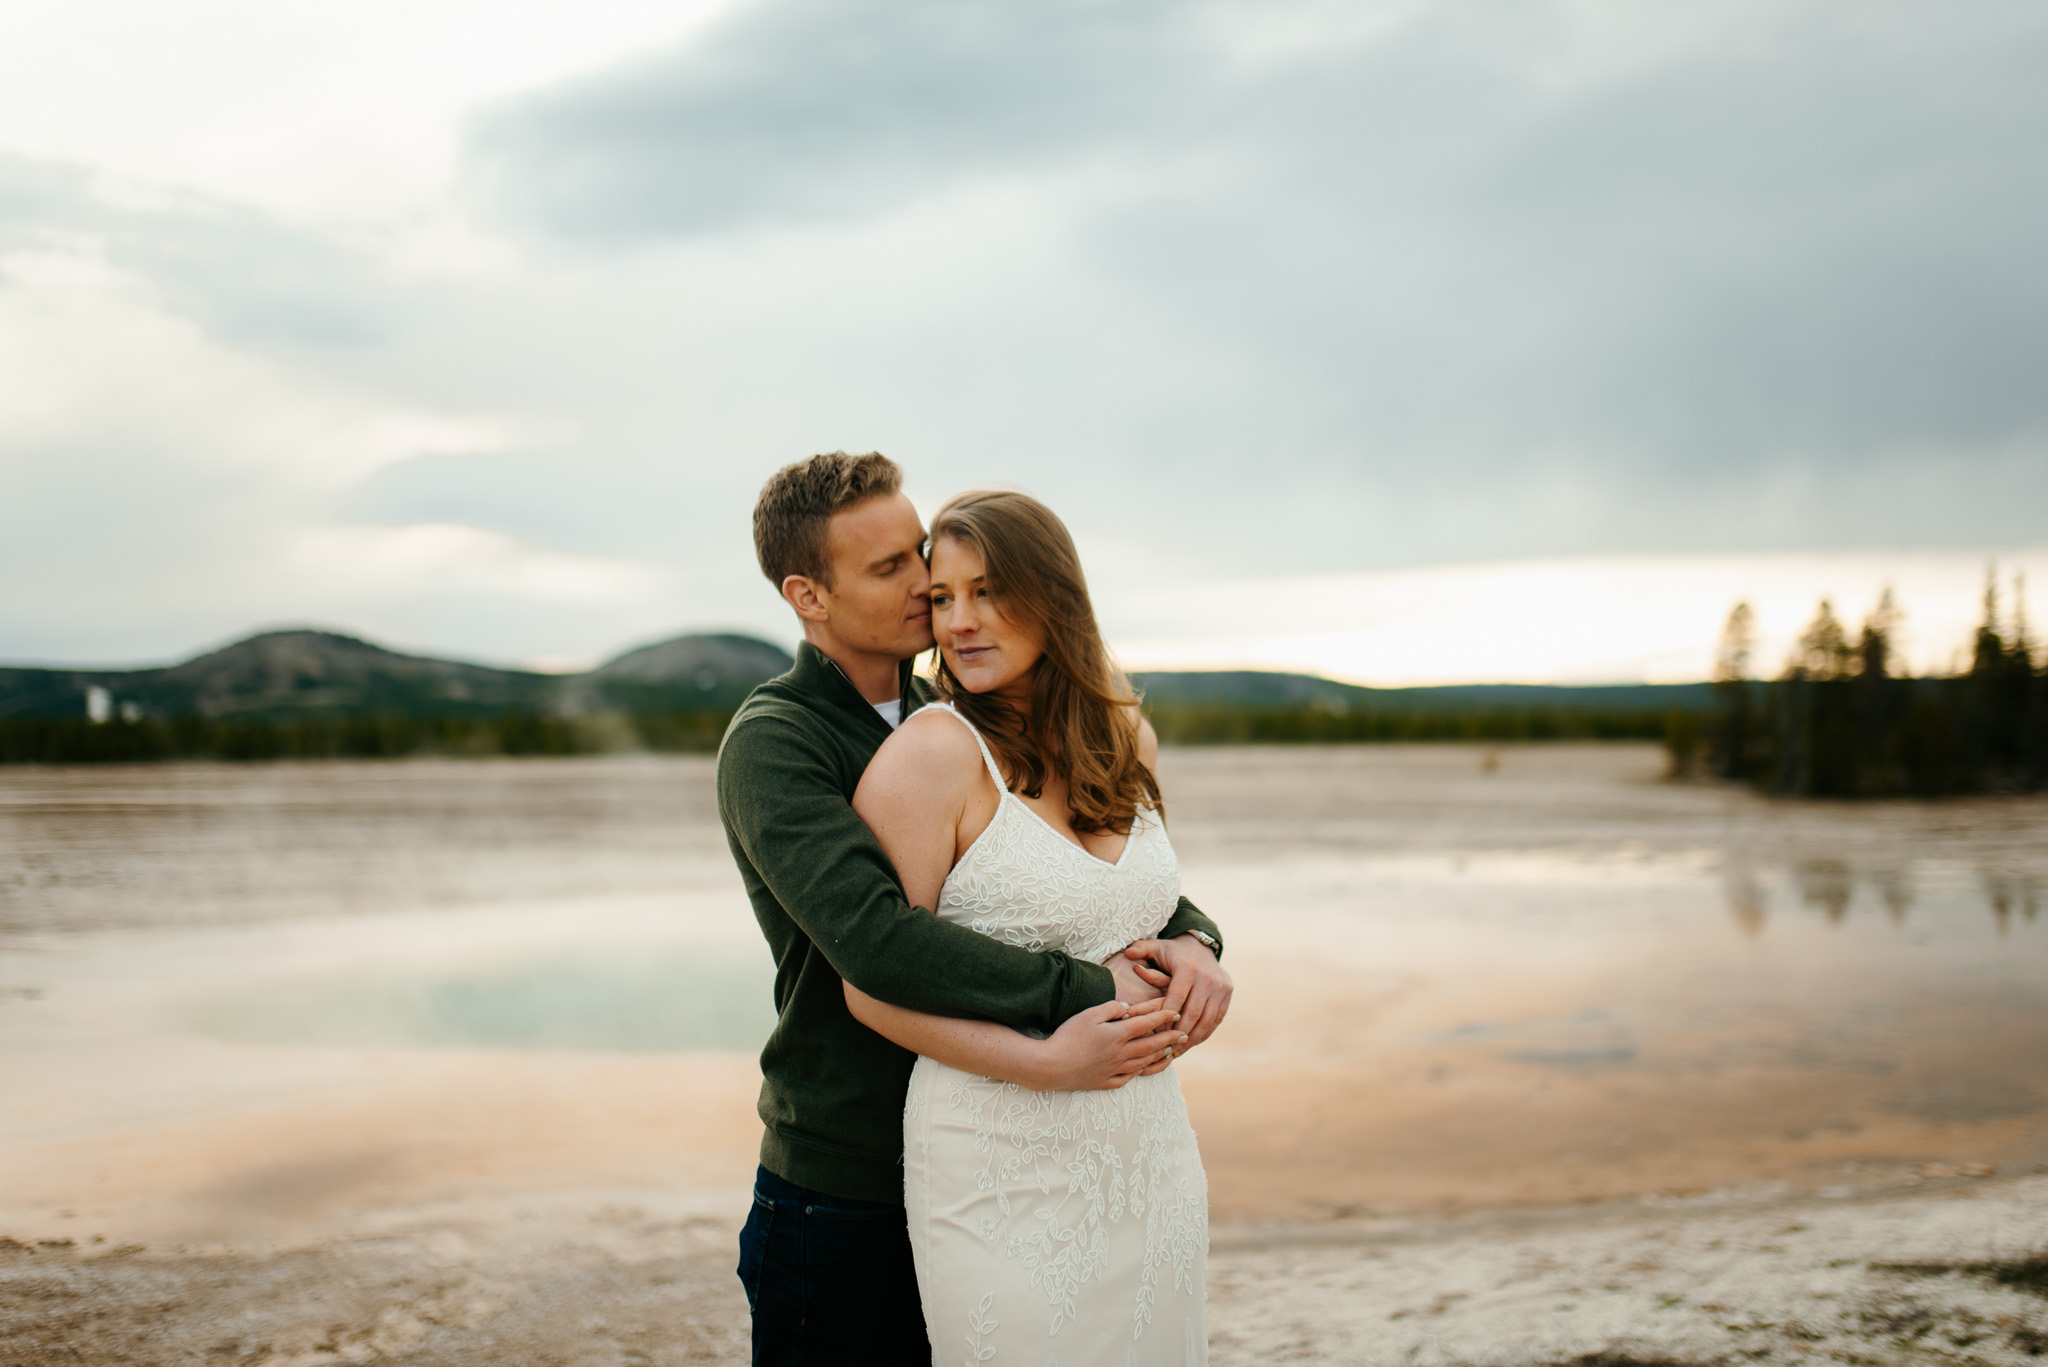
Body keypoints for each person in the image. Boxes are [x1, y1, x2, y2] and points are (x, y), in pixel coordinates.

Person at [716, 454, 1231, 1364]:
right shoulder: (777, 739)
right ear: (808, 594)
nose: (928, 590)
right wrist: (1080, 991)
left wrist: (1192, 934)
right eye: (891, 570)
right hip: (847, 1177)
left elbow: (1053, 869)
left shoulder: (950, 709)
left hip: (1020, 1162)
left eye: (920, 554)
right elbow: (877, 942)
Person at [846, 488, 1214, 1364]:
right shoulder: (932, 756)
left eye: (988, 591)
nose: (961, 621)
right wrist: (1047, 1062)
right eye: (944, 598)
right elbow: (870, 985)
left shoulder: (1130, 740)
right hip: (998, 1166)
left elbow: (1144, 907)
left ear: (1054, 595)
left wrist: (1200, 949)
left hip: (1148, 1149)